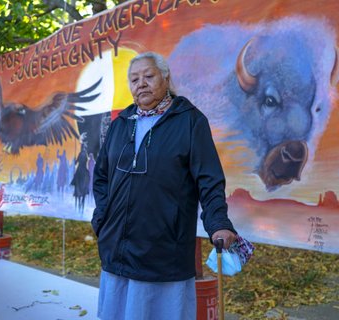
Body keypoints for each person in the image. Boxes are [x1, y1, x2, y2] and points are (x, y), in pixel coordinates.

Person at [92, 52, 237, 320]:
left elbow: (209, 179)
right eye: (134, 79)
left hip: (163, 247)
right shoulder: (121, 124)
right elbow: (101, 177)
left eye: (149, 76)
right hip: (117, 249)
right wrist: (102, 218)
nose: (141, 84)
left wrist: (218, 223)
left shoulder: (190, 121)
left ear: (165, 78)